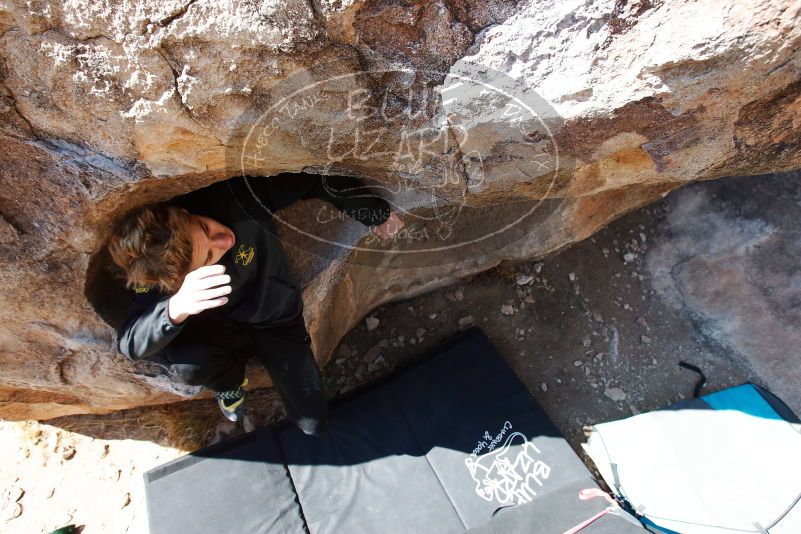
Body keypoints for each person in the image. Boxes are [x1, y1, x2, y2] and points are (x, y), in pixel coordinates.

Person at [107, 173, 405, 435]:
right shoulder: (165, 277)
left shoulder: (236, 200)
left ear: (185, 213)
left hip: (277, 320)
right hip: (220, 330)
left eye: (205, 229)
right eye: (209, 256)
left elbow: (314, 179)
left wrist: (374, 213)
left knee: (313, 422)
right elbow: (132, 343)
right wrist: (176, 307)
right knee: (189, 366)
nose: (224, 241)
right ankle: (230, 384)